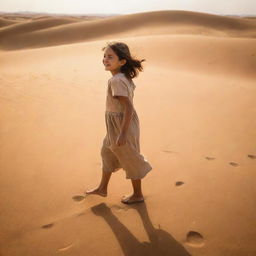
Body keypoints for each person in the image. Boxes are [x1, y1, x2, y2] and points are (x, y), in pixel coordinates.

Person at [85, 41, 152, 204]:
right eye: (104, 56)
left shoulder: (116, 81)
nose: (105, 60)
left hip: (122, 125)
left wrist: (123, 133)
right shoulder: (121, 77)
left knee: (130, 158)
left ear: (122, 62)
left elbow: (128, 107)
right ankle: (102, 188)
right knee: (106, 152)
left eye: (110, 57)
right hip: (116, 124)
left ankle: (138, 194)